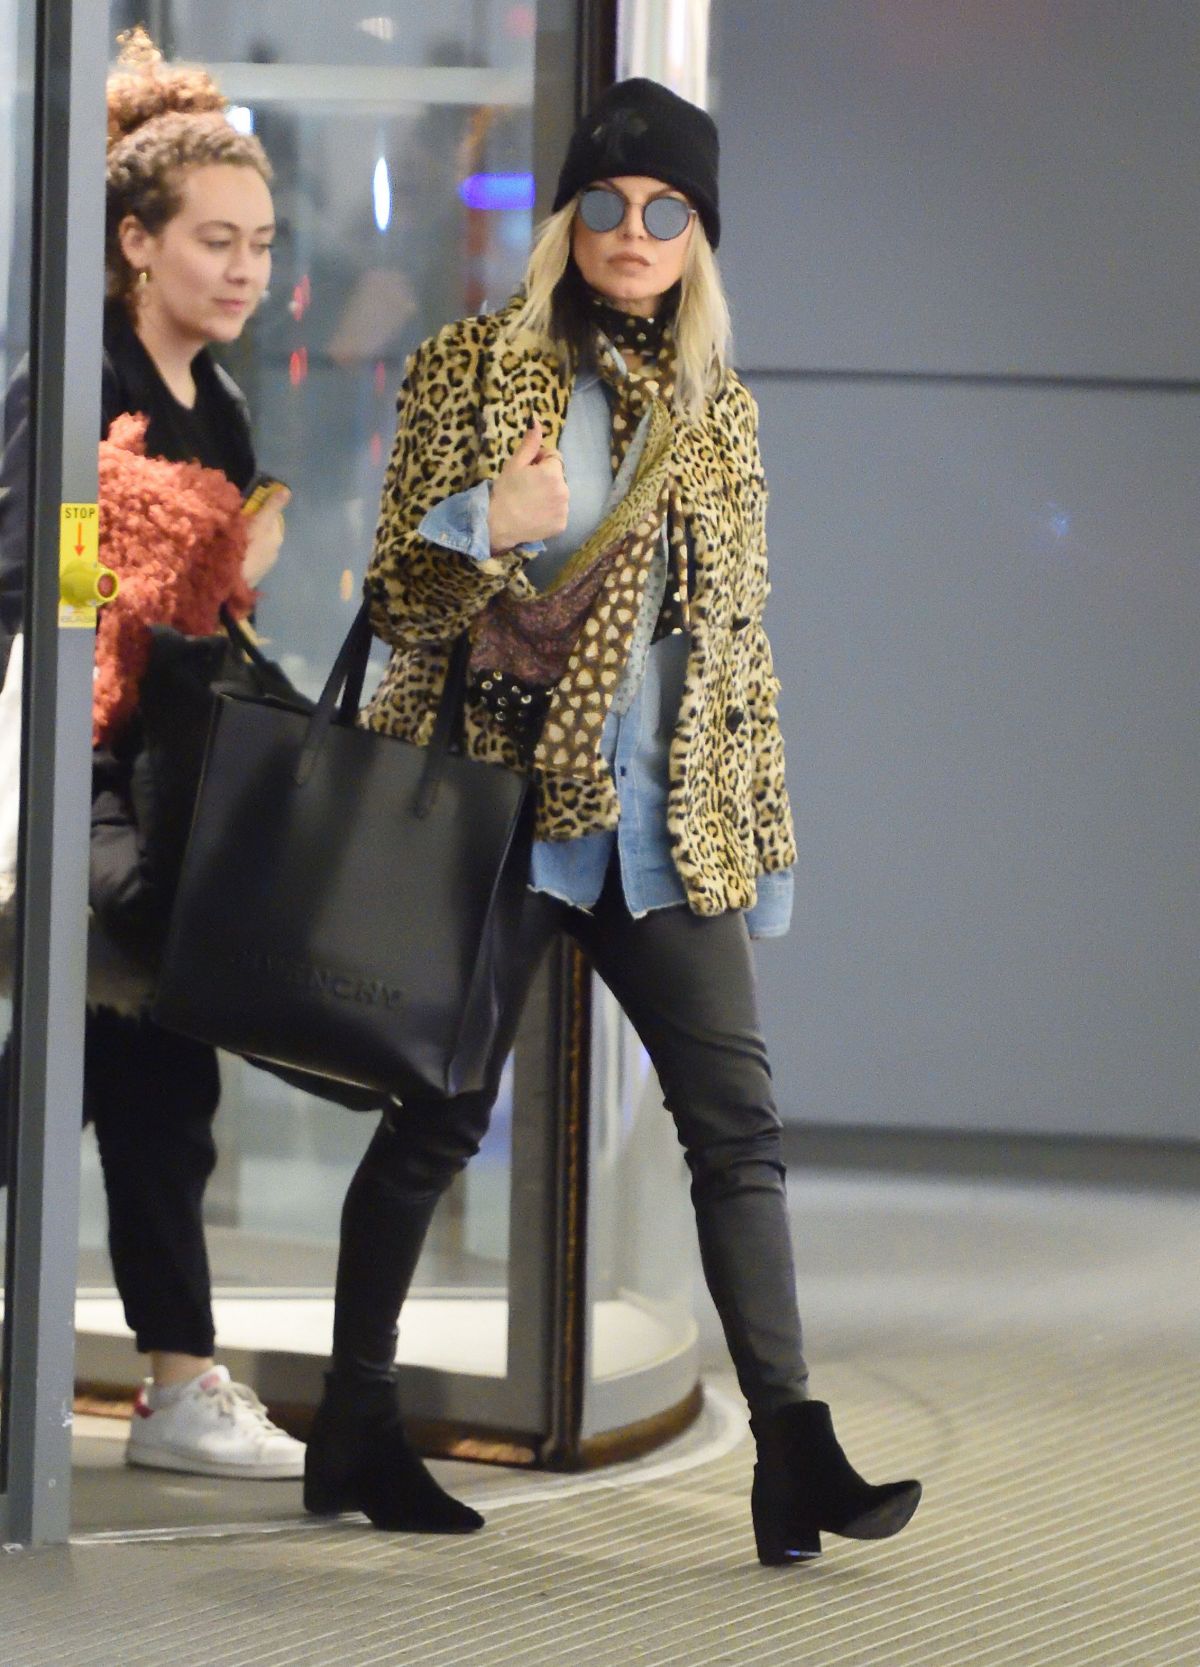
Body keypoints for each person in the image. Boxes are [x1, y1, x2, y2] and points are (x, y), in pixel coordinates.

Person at [303, 79, 923, 1564]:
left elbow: (736, 652)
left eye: (666, 210)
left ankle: (791, 1445)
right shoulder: (472, 368)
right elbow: (396, 600)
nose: (632, 231)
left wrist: (753, 843)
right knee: (436, 1121)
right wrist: (487, 528)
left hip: (662, 821)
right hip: (500, 808)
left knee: (738, 1131)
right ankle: (355, 1421)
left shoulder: (722, 408)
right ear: (566, 221)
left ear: (698, 234)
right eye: (605, 203)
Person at [0, 31, 303, 1479]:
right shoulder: (75, 378)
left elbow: (204, 605)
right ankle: (164, 1383)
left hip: (164, 782)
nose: (244, 272)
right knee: (85, 1074)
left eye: (262, 245)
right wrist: (165, 570)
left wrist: (222, 582)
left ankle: (179, 1384)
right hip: (71, 774)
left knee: (153, 1081)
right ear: (136, 241)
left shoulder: (222, 406)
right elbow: (29, 584)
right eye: (215, 241)